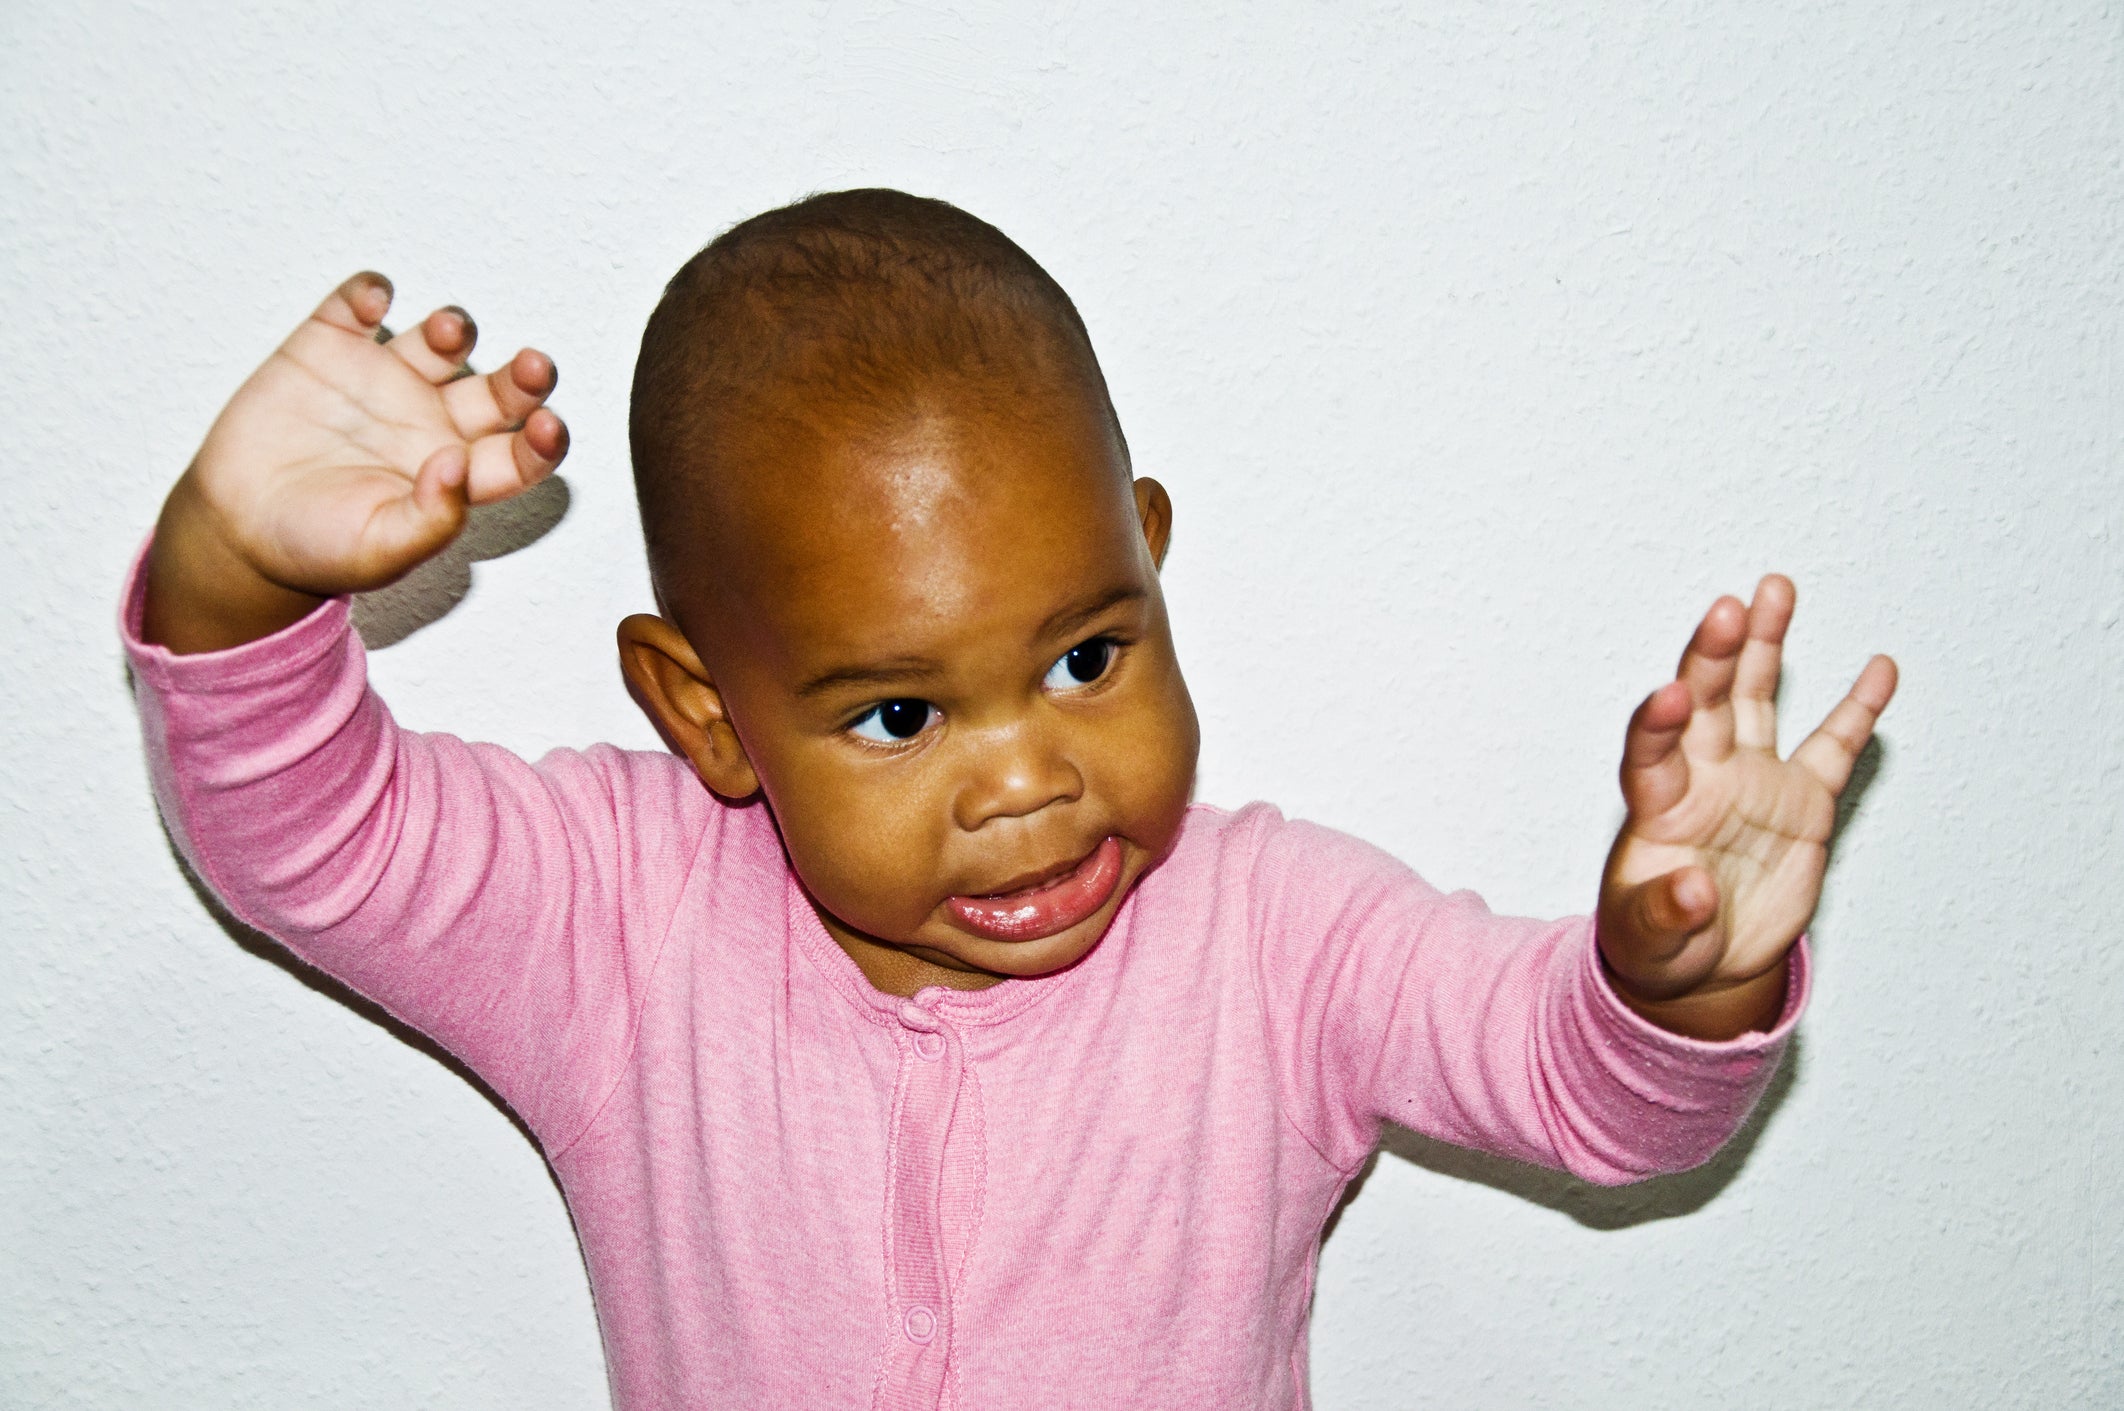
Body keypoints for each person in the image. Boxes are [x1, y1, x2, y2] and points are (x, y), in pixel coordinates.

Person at [124, 188, 1897, 1409]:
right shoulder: (629, 928)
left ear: (1154, 562)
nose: (1030, 778)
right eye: (899, 714)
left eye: (1085, 659)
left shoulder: (1271, 941)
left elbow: (1585, 1096)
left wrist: (1678, 982)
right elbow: (315, 842)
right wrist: (236, 575)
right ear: (708, 714)